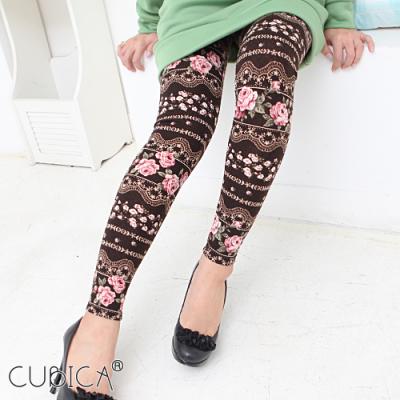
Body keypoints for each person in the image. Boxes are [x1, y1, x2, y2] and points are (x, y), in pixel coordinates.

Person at [51, 1, 375, 399]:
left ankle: (214, 271)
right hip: (193, 9)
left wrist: (340, 17)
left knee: (264, 106)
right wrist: (150, 21)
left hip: (282, 6)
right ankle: (100, 314)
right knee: (178, 135)